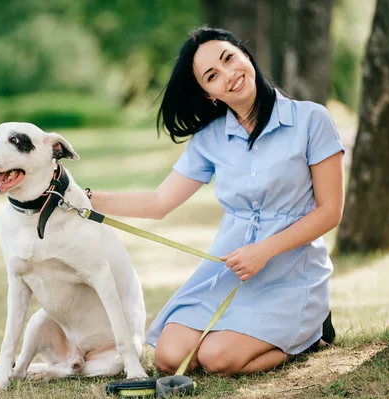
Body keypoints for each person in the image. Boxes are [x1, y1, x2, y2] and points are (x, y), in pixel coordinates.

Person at [87, 26, 344, 375]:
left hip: (290, 272)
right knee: (170, 356)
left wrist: (264, 250)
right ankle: (260, 334)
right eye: (212, 75)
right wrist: (83, 198)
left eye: (229, 59)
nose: (229, 75)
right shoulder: (210, 139)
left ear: (245, 55)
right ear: (208, 94)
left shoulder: (311, 119)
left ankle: (313, 334)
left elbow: (331, 211)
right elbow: (159, 202)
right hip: (230, 271)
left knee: (216, 359)